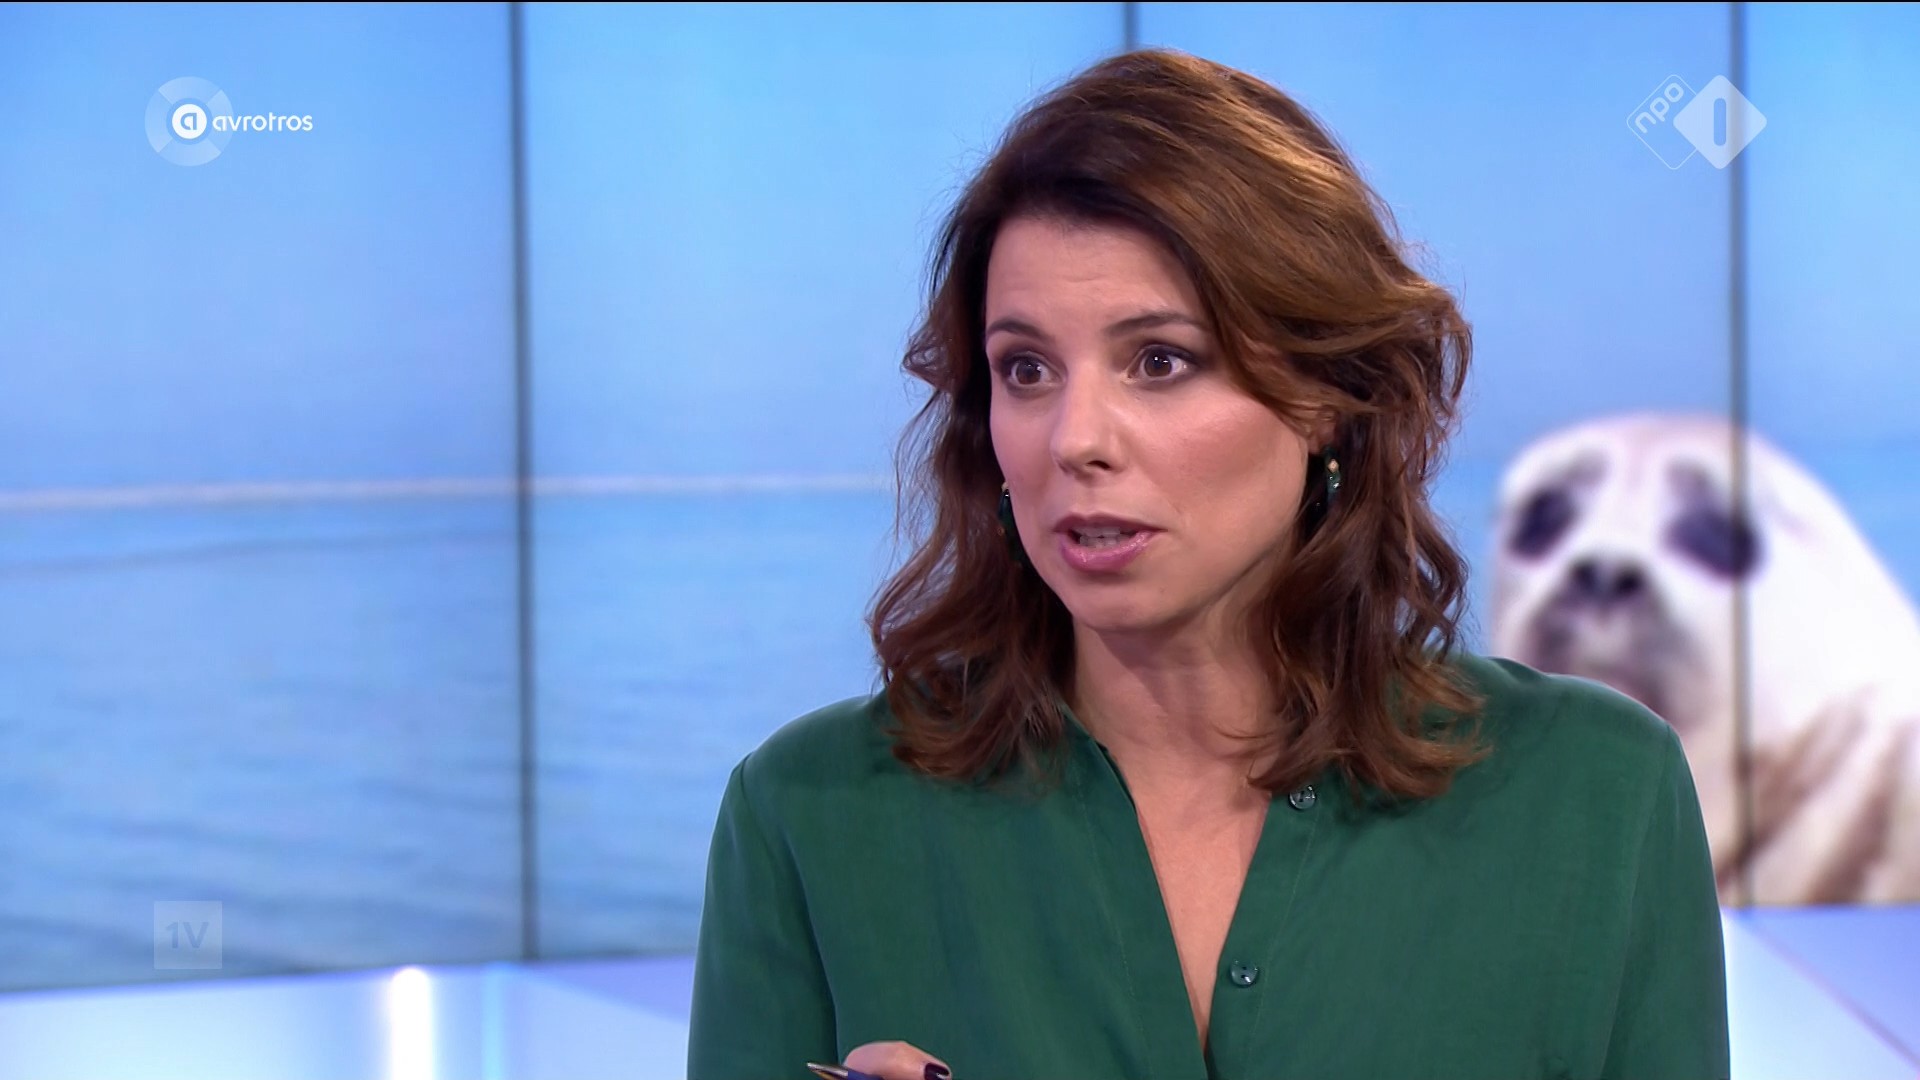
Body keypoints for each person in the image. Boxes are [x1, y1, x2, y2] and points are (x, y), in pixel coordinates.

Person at [686, 47, 1729, 1080]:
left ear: (1324, 396)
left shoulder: (1598, 796)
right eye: (1027, 369)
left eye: (1160, 361)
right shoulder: (809, 815)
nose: (1074, 439)